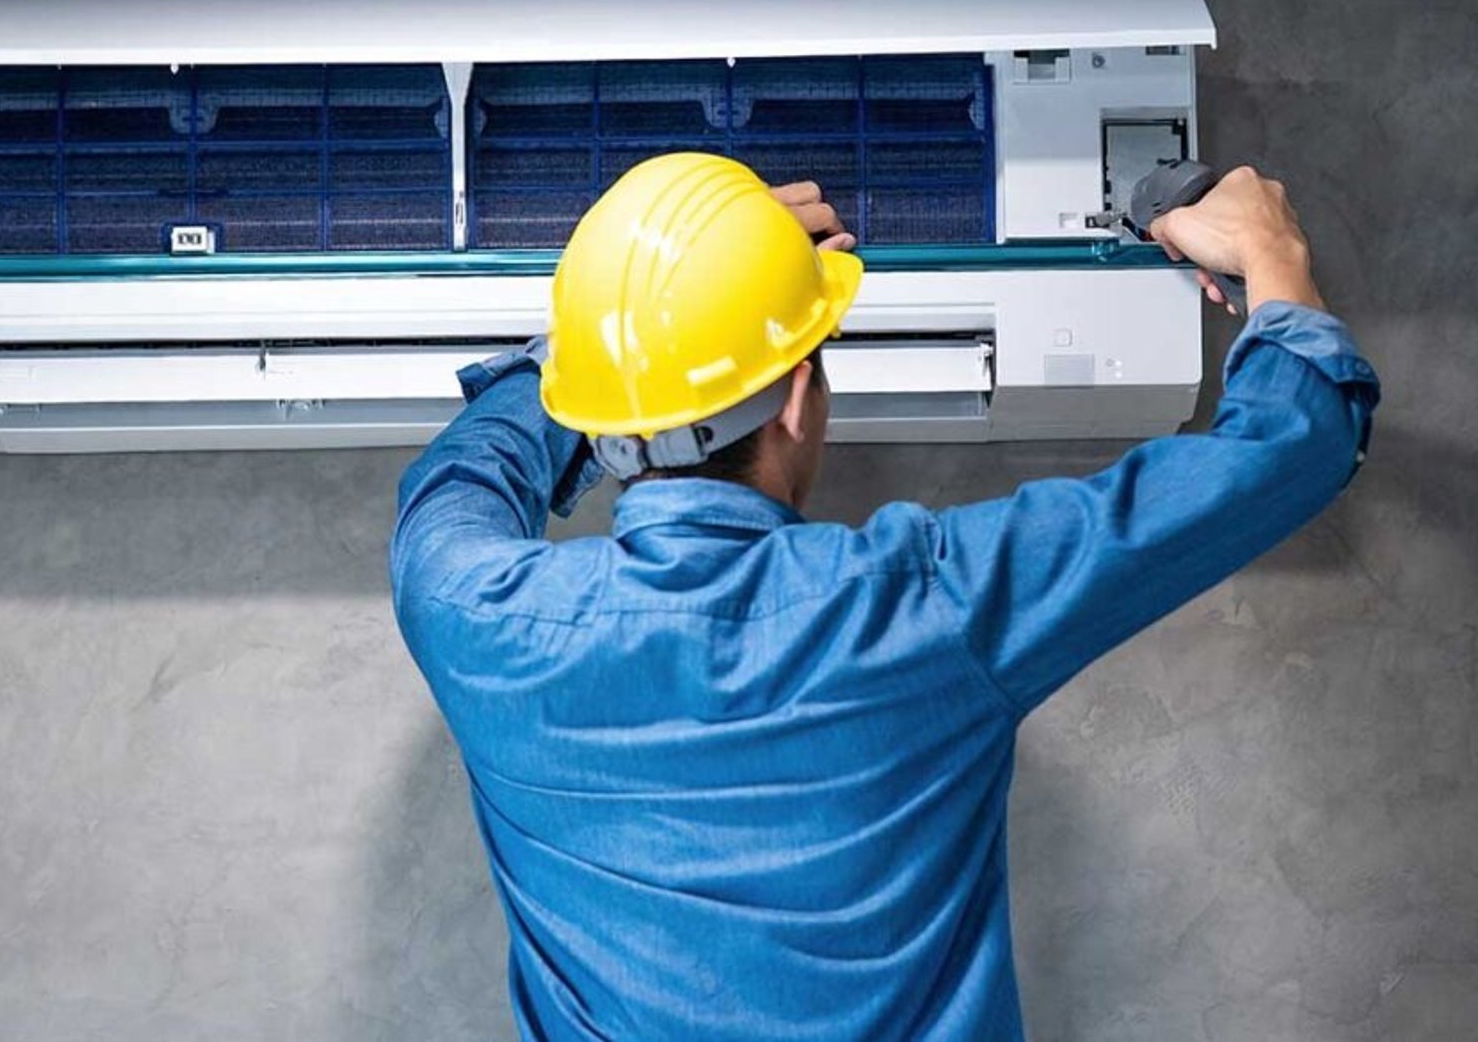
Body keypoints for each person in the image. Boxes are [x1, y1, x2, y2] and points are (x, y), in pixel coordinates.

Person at [389, 153, 1379, 1041]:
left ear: (597, 411)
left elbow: (465, 474)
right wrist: (1268, 246)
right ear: (795, 399)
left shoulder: (474, 613)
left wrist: (659, 301)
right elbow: (1288, 447)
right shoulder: (929, 603)